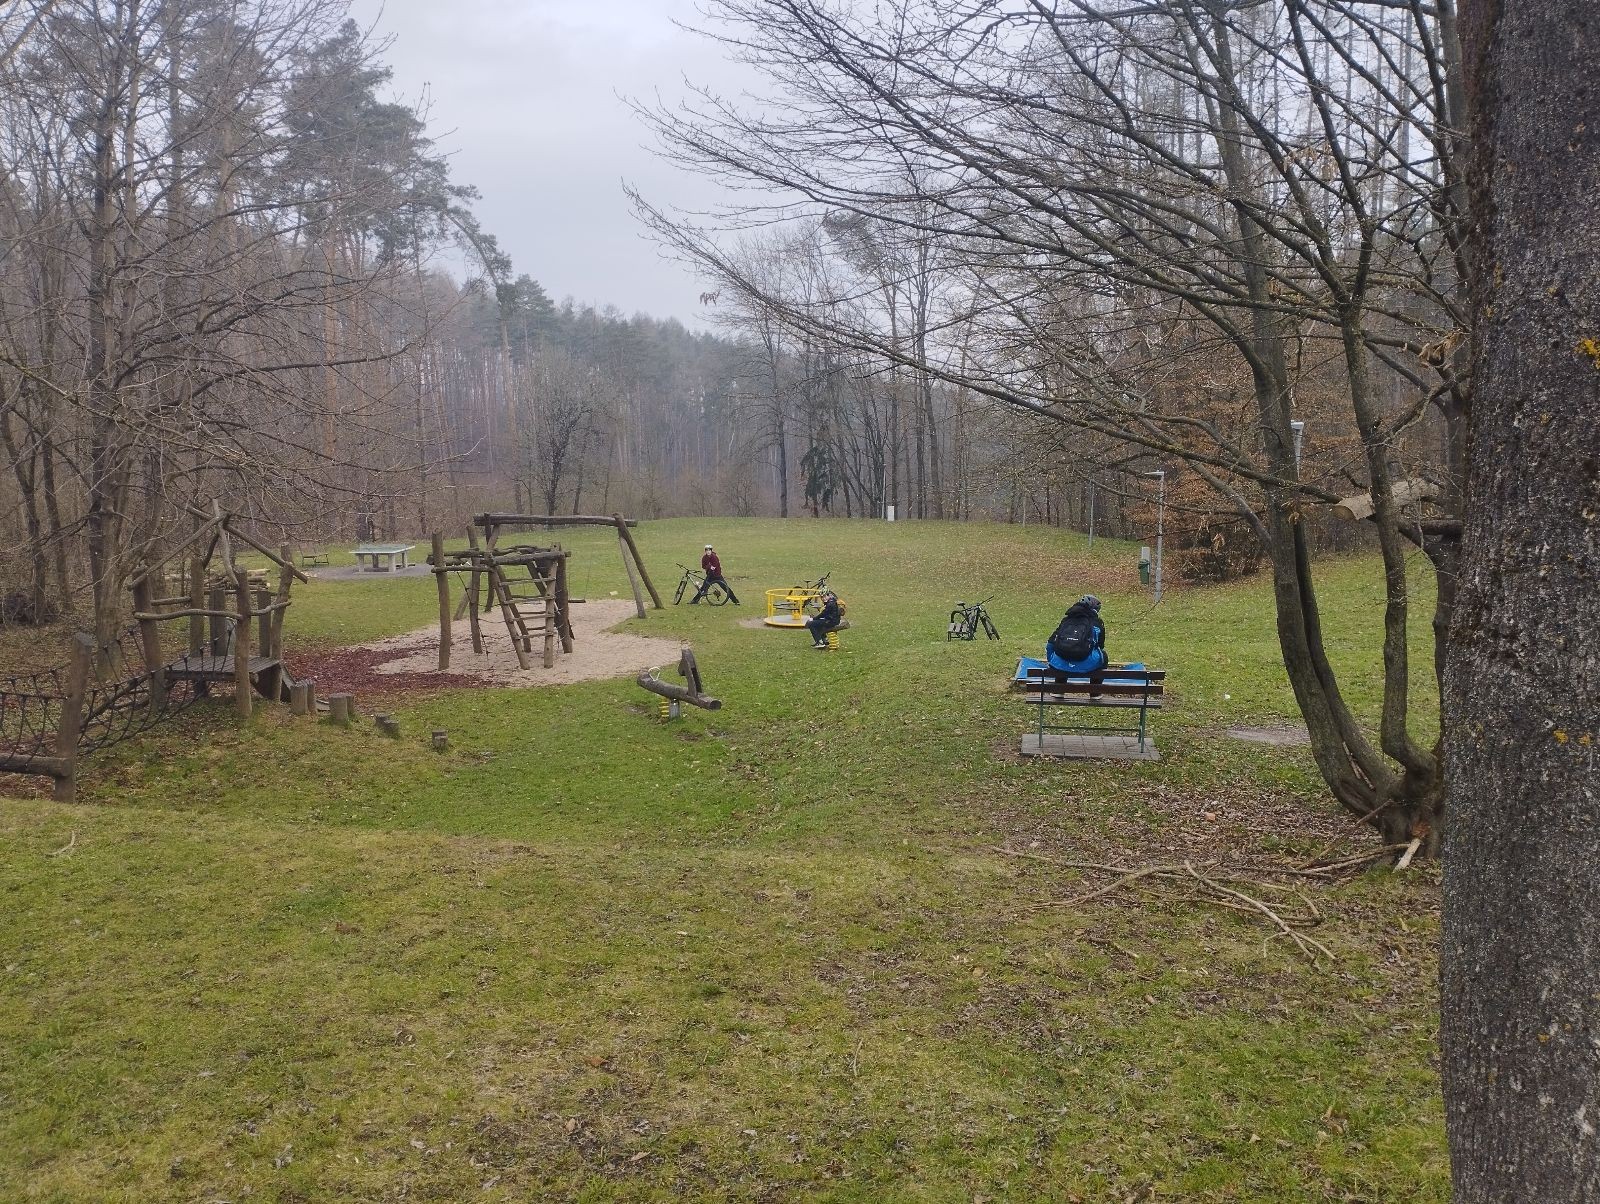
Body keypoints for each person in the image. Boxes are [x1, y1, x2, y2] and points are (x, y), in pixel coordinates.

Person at [1046, 595, 1107, 674]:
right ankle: (1096, 681)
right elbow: (1100, 646)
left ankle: (1060, 679)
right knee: (1103, 655)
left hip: (1059, 665)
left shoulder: (1066, 620)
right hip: (1086, 666)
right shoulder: (1097, 623)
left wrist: (1052, 661)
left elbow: (1050, 644)